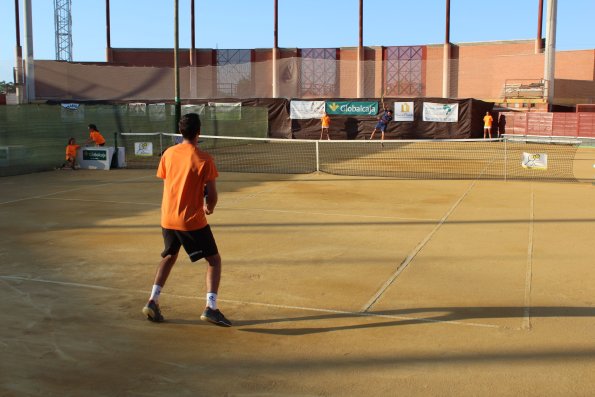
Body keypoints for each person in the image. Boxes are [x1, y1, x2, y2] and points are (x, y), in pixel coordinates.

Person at [142, 113, 231, 327]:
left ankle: (152, 300)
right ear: (199, 132)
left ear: (180, 131)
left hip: (167, 217)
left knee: (169, 256)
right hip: (190, 221)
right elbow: (212, 194)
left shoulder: (168, 154)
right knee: (214, 261)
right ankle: (211, 307)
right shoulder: (204, 159)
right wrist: (209, 206)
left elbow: (170, 179)